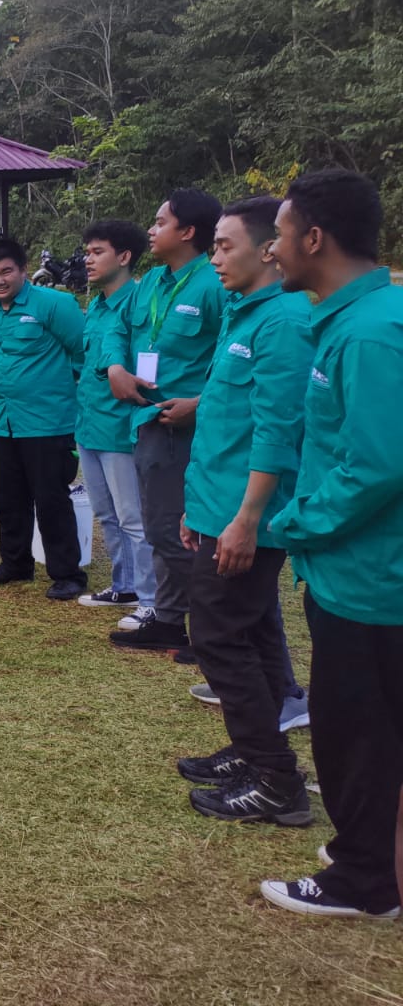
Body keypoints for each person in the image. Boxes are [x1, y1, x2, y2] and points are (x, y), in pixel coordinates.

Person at [259, 170, 403, 919]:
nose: (273, 249)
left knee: (357, 731)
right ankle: (376, 852)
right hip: (361, 571)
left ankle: (363, 882)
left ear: (314, 238)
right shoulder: (358, 319)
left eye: (279, 234)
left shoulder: (372, 332)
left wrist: (293, 523)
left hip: (370, 579)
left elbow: (377, 464)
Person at [173, 196, 313, 827]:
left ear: (267, 250)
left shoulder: (281, 321)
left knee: (218, 638)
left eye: (226, 246)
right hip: (216, 505)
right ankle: (255, 752)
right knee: (249, 633)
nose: (216, 257)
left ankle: (277, 782)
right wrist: (199, 510)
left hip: (244, 515)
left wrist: (247, 517)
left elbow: (275, 429)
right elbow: (223, 428)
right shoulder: (243, 313)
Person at [105, 190, 226, 657]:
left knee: (179, 529)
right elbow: (119, 328)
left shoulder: (215, 284)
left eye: (160, 222)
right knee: (160, 526)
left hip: (186, 425)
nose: (151, 230)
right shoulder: (152, 282)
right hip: (146, 418)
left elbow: (236, 354)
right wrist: (116, 367)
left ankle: (209, 629)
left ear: (188, 232)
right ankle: (171, 621)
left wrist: (201, 401)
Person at [0, 237, 87, 600]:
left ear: (23, 271)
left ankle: (67, 574)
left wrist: (65, 390)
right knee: (6, 496)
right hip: (3, 421)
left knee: (51, 498)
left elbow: (84, 350)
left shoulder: (54, 303)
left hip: (48, 422)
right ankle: (15, 563)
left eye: (6, 271)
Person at [75, 222, 157, 619]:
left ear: (124, 257)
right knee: (106, 514)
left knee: (133, 518)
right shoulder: (97, 306)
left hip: (120, 428)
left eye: (97, 251)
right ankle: (123, 586)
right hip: (90, 425)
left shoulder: (140, 303)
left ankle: (152, 600)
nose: (88, 259)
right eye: (87, 252)